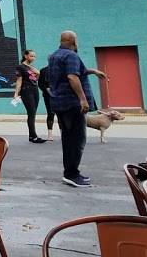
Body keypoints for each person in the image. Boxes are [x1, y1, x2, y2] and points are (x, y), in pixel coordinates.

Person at [47, 31, 95, 188]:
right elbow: (72, 77)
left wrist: (93, 71)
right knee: (76, 139)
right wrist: (83, 99)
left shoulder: (53, 56)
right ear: (74, 41)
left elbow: (62, 76)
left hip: (60, 103)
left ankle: (70, 173)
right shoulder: (71, 55)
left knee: (68, 139)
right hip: (73, 104)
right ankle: (72, 174)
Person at [39, 61, 108, 141]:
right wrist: (47, 90)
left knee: (62, 115)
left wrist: (93, 71)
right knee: (51, 114)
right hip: (49, 96)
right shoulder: (44, 70)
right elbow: (40, 83)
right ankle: (51, 134)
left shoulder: (63, 69)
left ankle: (64, 134)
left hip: (62, 96)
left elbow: (77, 73)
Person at [13, 49, 46, 143]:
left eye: (34, 56)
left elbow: (35, 79)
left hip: (34, 90)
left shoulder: (31, 67)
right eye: (31, 56)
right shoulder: (20, 67)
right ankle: (34, 136)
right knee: (31, 113)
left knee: (33, 113)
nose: (33, 58)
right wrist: (16, 93)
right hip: (26, 91)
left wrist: (38, 74)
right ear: (26, 56)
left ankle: (31, 136)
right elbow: (19, 80)